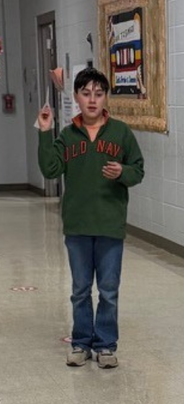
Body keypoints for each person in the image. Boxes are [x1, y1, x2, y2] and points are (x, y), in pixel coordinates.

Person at [37, 67, 144, 368]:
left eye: (98, 94)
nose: (92, 100)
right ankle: (81, 342)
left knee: (108, 291)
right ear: (77, 97)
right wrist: (45, 132)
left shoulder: (121, 132)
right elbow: (50, 170)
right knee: (80, 289)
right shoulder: (68, 136)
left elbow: (138, 170)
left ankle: (106, 345)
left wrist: (123, 172)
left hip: (110, 224)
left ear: (106, 97)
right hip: (78, 225)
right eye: (86, 94)